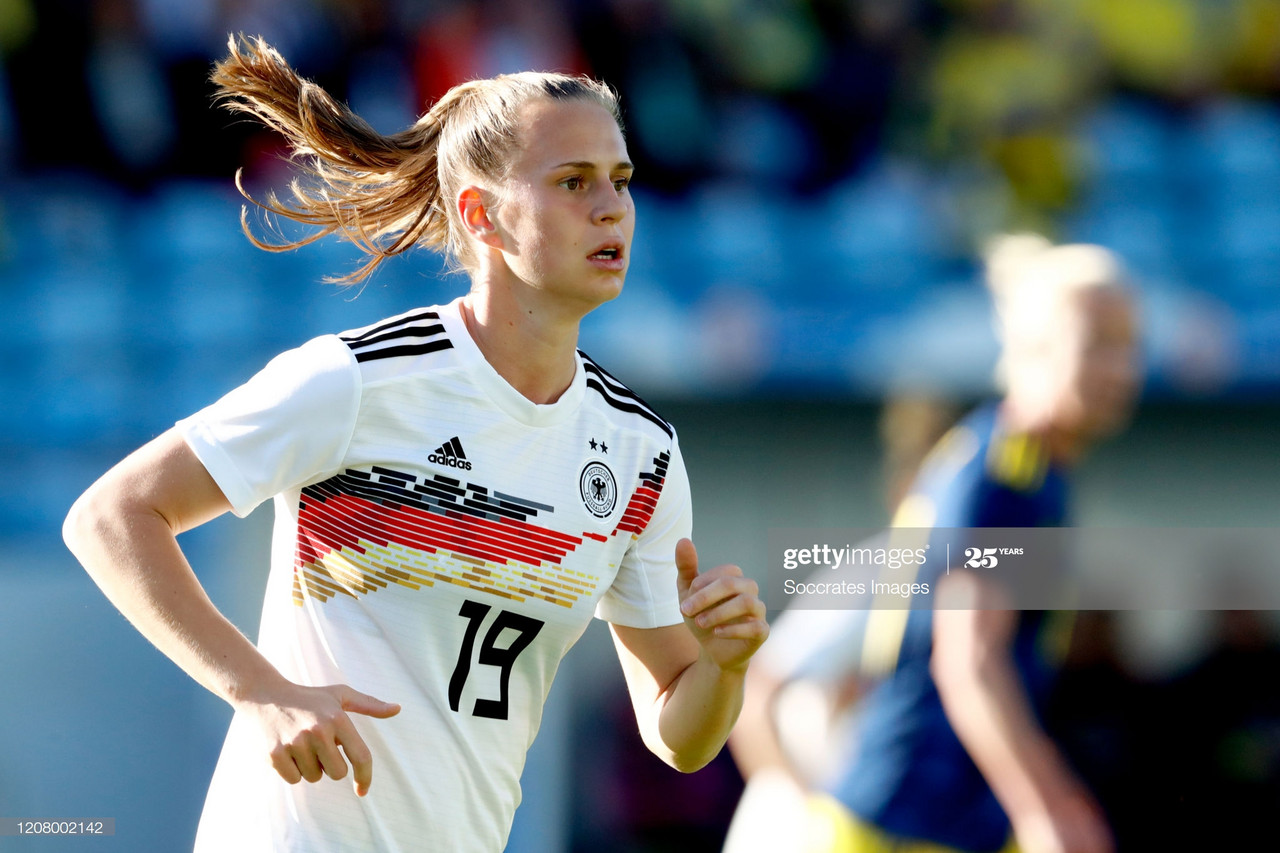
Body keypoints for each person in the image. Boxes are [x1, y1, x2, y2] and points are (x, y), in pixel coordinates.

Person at [62, 35, 768, 853]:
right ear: (481, 214)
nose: (611, 207)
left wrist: (722, 666)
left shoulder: (639, 449)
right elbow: (110, 516)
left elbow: (679, 734)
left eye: (620, 181)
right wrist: (258, 689)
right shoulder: (361, 381)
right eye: (573, 182)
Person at [728, 234, 1140, 853]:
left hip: (942, 825)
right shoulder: (1007, 475)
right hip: (900, 826)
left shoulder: (1028, 469)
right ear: (1033, 348)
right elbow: (969, 659)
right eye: (1097, 344)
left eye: (1129, 346)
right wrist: (1048, 807)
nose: (1119, 370)